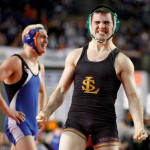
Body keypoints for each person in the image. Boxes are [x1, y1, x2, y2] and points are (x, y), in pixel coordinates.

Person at [36, 5, 148, 150]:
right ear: (90, 25)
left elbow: (133, 96)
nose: (102, 26)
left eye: (107, 22)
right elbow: (61, 90)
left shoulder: (122, 61)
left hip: (105, 125)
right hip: (76, 121)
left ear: (115, 26)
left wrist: (139, 126)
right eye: (97, 22)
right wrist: (46, 112)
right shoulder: (75, 56)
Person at [0, 24, 48, 150]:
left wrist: (41, 113)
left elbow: (42, 91)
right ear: (30, 38)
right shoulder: (15, 61)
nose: (46, 41)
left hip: (31, 124)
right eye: (42, 37)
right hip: (17, 123)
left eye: (47, 37)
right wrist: (8, 111)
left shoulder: (39, 66)